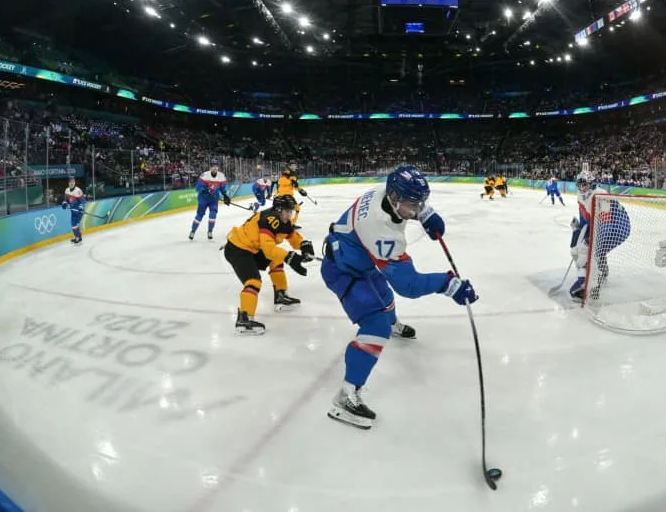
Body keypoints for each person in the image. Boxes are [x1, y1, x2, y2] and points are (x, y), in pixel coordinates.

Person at [321, 165, 478, 429]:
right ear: (394, 198)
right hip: (344, 271)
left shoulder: (384, 192)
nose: (417, 209)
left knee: (384, 296)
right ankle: (346, 395)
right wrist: (448, 284)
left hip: (360, 258)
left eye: (421, 203)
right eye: (413, 205)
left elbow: (411, 205)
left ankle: (393, 323)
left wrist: (426, 214)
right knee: (376, 326)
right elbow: (409, 285)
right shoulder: (381, 232)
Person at [223, 195, 313, 335]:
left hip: (252, 248)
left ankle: (280, 296)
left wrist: (303, 245)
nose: (290, 215)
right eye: (287, 211)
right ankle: (244, 320)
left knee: (276, 260)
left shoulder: (283, 219)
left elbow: (292, 236)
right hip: (237, 249)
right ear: (278, 210)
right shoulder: (268, 220)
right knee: (253, 281)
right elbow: (269, 250)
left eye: (291, 211)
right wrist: (289, 257)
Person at [569, 171, 630, 301]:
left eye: (584, 185)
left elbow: (605, 224)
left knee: (592, 252)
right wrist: (579, 230)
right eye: (579, 185)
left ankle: (593, 284)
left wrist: (590, 242)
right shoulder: (580, 196)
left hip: (619, 227)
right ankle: (600, 275)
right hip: (602, 225)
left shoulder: (601, 195)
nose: (581, 188)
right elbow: (585, 220)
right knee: (589, 250)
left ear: (591, 184)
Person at [189, 158, 230, 240]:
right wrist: (204, 191)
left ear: (218, 167)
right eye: (213, 166)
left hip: (213, 199)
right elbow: (198, 187)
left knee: (213, 214)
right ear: (210, 167)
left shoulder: (221, 176)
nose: (215, 167)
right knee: (199, 215)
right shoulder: (204, 175)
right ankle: (193, 231)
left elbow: (222, 188)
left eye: (216, 166)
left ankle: (210, 231)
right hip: (203, 199)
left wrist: (225, 195)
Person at [61, 177, 85, 244]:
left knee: (74, 224)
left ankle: (78, 237)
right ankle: (78, 237)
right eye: (70, 182)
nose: (72, 183)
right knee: (73, 224)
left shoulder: (78, 190)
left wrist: (81, 207)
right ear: (68, 183)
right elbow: (66, 199)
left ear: (75, 182)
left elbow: (83, 200)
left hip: (79, 211)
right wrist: (64, 203)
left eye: (73, 182)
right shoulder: (67, 190)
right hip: (73, 210)